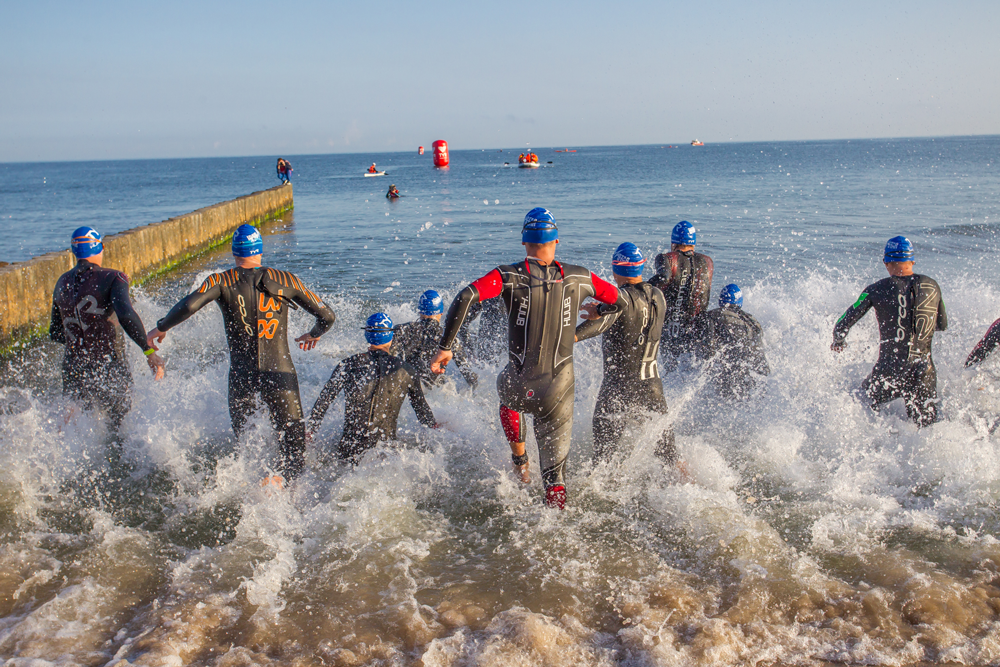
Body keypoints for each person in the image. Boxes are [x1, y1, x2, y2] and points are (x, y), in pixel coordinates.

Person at [430, 207, 626, 508]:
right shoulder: (580, 277)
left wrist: (446, 347)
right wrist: (593, 315)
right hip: (558, 392)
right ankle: (555, 529)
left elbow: (466, 296)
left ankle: (520, 462)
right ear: (556, 240)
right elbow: (619, 302)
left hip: (518, 384)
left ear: (524, 242)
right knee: (556, 479)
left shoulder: (508, 276)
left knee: (506, 394)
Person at [146, 224, 336, 484]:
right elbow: (327, 316)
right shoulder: (287, 279)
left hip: (242, 377)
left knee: (247, 449)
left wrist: (161, 327)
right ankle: (283, 491)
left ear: (235, 252)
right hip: (280, 373)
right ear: (259, 250)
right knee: (294, 450)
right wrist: (313, 334)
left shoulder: (220, 281)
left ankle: (252, 492)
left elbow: (189, 305)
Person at [49, 226, 165, 444]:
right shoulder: (114, 277)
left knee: (74, 431)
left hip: (73, 368)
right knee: (118, 429)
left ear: (74, 251)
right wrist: (148, 350)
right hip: (109, 365)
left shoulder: (61, 282)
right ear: (100, 247)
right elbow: (126, 315)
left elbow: (55, 333)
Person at [575, 243, 676, 464]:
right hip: (652, 386)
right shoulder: (658, 295)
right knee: (668, 455)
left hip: (619, 388)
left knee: (603, 459)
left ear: (615, 270)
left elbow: (601, 324)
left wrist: (572, 336)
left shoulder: (618, 300)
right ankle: (689, 484)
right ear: (640, 267)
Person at [831, 236, 947, 427]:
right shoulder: (933, 286)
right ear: (912, 261)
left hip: (889, 371)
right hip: (924, 371)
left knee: (859, 404)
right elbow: (942, 325)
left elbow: (842, 324)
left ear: (886, 263)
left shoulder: (875, 289)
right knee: (927, 430)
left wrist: (838, 342)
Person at [308, 313, 438, 464]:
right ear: (390, 336)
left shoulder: (348, 365)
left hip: (349, 449)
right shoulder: (406, 370)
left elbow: (324, 401)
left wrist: (310, 431)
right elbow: (423, 413)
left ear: (366, 335)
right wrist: (438, 428)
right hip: (385, 452)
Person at [649, 221, 713, 367]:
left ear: (673, 243)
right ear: (693, 243)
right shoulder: (708, 261)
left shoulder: (667, 258)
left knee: (670, 370)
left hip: (671, 329)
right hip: (697, 329)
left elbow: (663, 278)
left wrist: (640, 288)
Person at [390, 290, 478, 390]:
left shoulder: (401, 330)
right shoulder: (448, 339)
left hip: (408, 388)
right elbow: (468, 374)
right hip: (436, 391)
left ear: (420, 311)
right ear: (441, 313)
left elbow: (388, 359)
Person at [696, 284, 769, 400]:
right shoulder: (752, 321)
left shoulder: (713, 316)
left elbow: (708, 350)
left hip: (732, 372)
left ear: (721, 300)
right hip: (757, 374)